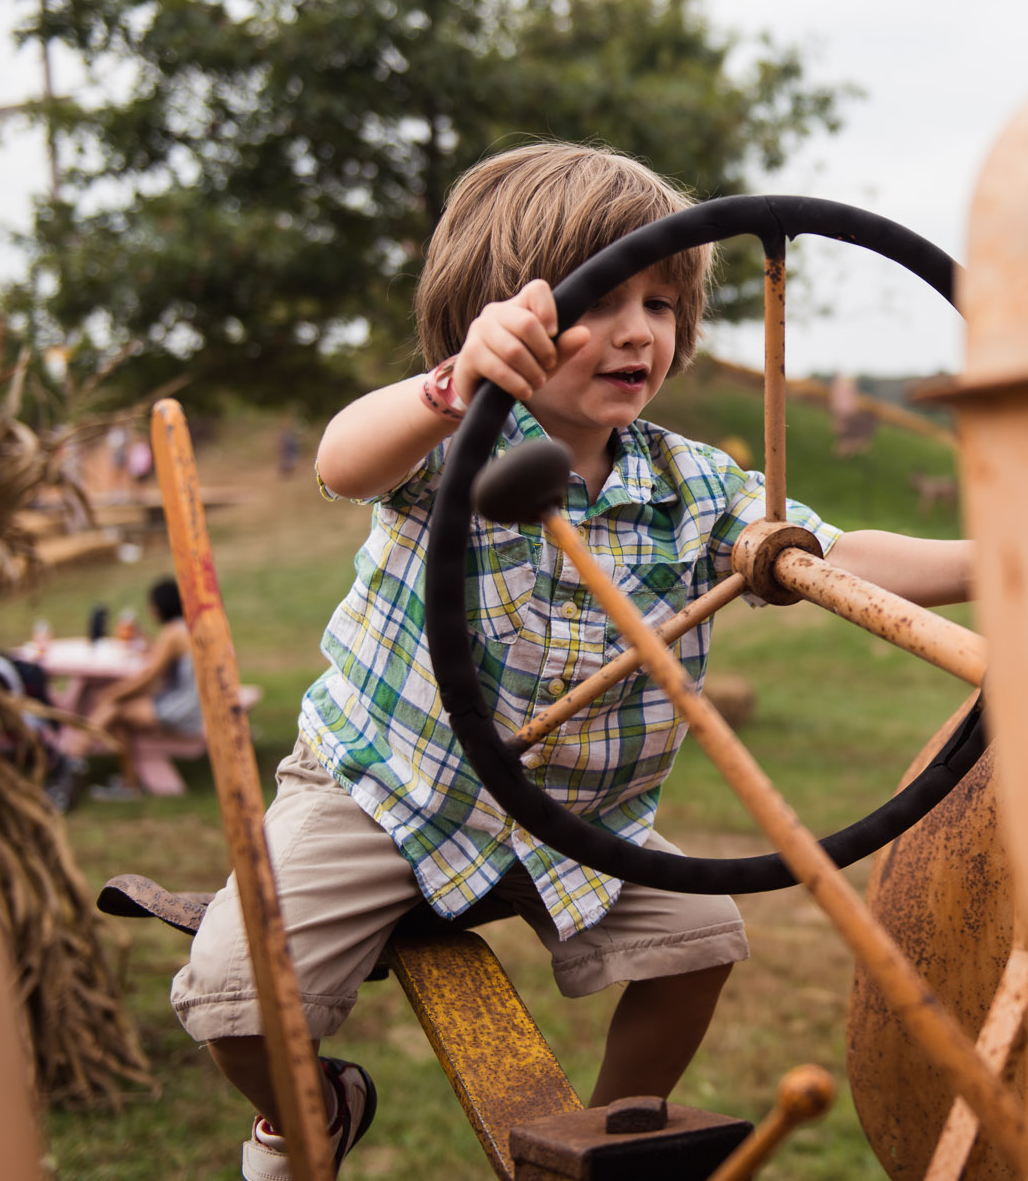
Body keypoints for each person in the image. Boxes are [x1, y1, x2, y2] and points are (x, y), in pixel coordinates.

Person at [171, 141, 972, 1178]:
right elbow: (341, 458)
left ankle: (597, 1144)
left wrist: (1011, 558)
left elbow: (844, 557)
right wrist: (449, 387)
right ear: (498, 315)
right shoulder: (445, 447)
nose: (637, 329)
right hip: (383, 793)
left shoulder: (696, 490)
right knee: (238, 995)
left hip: (580, 828)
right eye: (600, 301)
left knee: (699, 940)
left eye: (662, 303)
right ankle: (306, 1114)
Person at [86, 579, 203, 797]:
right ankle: (89, 759)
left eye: (151, 605)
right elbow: (161, 657)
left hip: (182, 710)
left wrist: (112, 693)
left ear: (159, 607)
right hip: (192, 704)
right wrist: (146, 641)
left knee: (117, 710)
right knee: (117, 709)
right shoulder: (183, 627)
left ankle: (79, 756)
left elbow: (148, 677)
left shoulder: (173, 633)